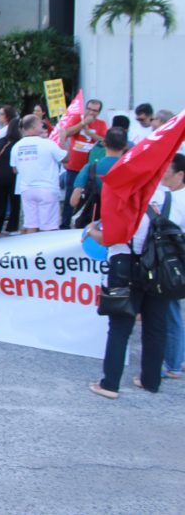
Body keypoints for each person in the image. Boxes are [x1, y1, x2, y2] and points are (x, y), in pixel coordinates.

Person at [87, 155, 185, 398]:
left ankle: (110, 384)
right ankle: (150, 381)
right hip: (160, 269)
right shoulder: (171, 199)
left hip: (126, 265)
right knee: (155, 326)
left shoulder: (126, 197)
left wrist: (90, 230)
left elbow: (111, 237)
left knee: (120, 327)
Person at [12, 114, 68, 234]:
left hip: (27, 189)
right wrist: (63, 140)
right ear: (33, 127)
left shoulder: (16, 146)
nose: (42, 127)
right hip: (47, 188)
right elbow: (65, 158)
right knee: (49, 227)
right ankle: (47, 252)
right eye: (40, 125)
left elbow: (15, 169)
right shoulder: (48, 144)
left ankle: (30, 250)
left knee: (31, 224)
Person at [68, 127, 128, 226]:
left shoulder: (90, 168)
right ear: (125, 146)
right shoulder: (130, 170)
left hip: (91, 224)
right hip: (119, 225)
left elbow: (74, 201)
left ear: (104, 143)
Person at [61, 98, 106, 227]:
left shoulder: (101, 124)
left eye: (95, 111)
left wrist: (89, 134)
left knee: (89, 198)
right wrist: (82, 124)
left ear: (99, 112)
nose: (91, 113)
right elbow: (66, 132)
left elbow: (104, 141)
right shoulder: (77, 118)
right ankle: (65, 225)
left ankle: (83, 224)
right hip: (74, 166)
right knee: (71, 197)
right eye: (89, 109)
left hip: (91, 169)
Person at [0, 117, 22, 238]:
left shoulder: (2, 140)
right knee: (14, 201)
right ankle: (13, 227)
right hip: (13, 174)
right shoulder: (20, 142)